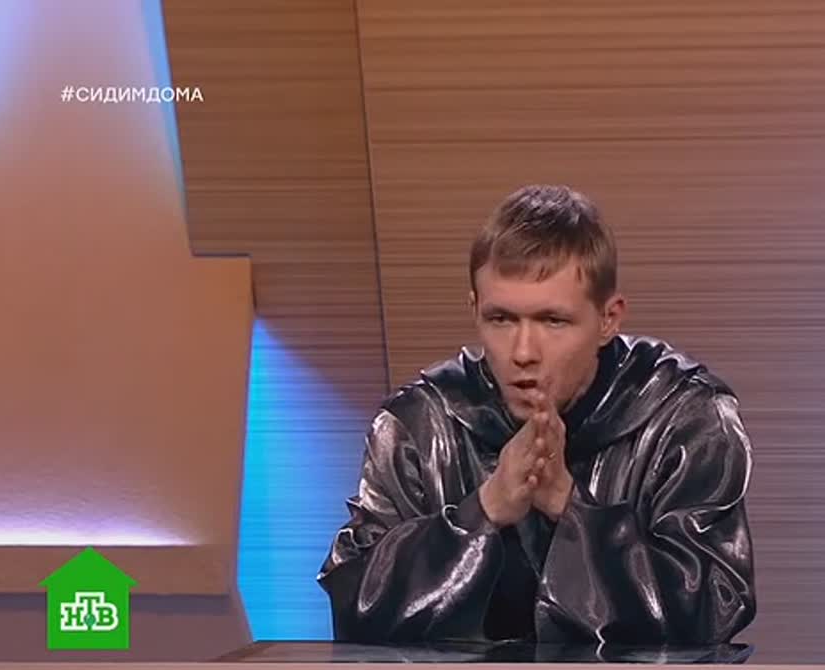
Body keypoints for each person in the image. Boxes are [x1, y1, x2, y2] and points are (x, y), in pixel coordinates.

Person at [317, 184, 756, 645]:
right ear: (474, 310)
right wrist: (484, 510)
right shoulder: (420, 424)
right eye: (501, 319)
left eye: (553, 321)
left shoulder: (684, 416)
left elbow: (717, 606)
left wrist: (570, 506)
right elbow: (355, 610)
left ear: (608, 319)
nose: (523, 352)